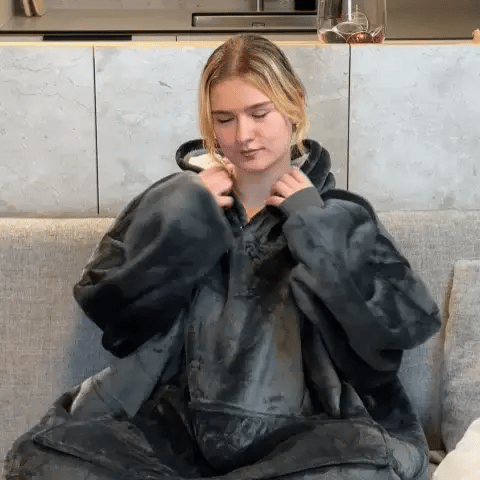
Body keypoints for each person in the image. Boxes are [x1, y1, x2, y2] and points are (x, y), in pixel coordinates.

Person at [4, 34, 441, 480]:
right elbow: (110, 312)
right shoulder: (174, 202)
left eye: (259, 113)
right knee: (41, 459)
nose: (243, 136)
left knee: (364, 467)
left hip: (305, 436)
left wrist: (317, 228)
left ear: (294, 105)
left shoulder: (339, 214)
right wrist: (182, 221)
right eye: (225, 119)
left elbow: (393, 335)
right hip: (172, 433)